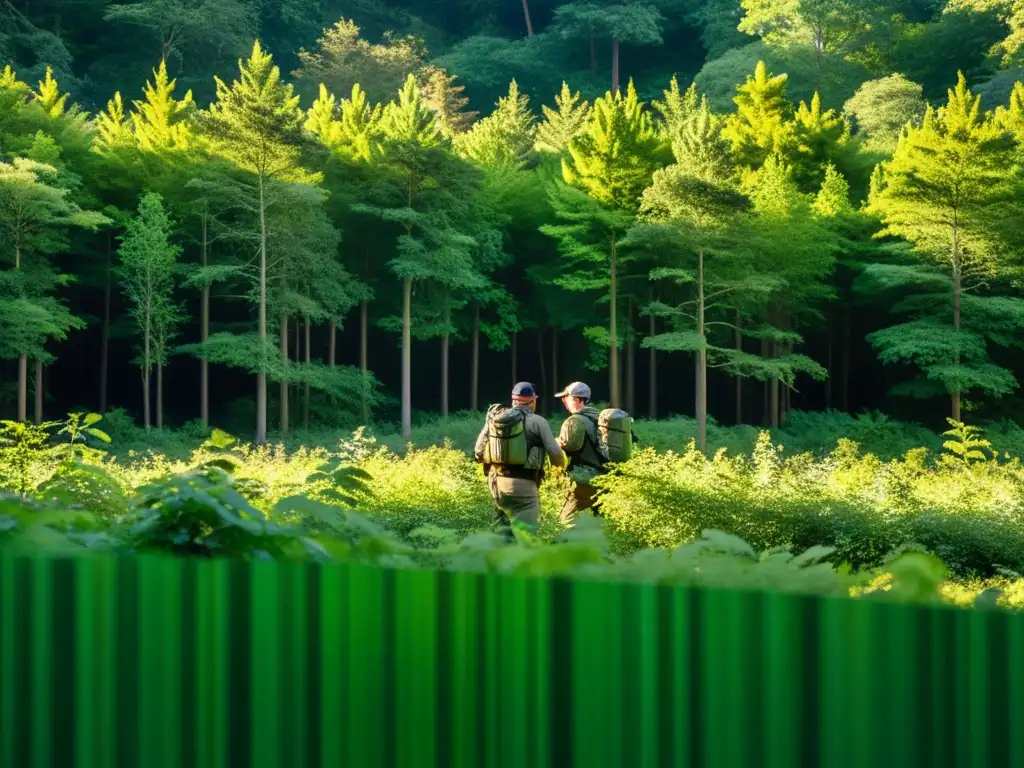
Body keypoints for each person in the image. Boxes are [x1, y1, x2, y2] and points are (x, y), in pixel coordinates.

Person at [474, 382, 565, 539]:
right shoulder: (537, 422)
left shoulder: (494, 419)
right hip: (523, 485)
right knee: (526, 537)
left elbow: (478, 451)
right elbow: (555, 453)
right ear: (533, 401)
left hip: (496, 483)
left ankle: (496, 558)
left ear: (513, 400)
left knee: (503, 532)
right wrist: (560, 469)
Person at [554, 381, 606, 525]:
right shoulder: (599, 418)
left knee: (564, 522)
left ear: (576, 400)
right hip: (606, 477)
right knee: (603, 524)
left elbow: (570, 446)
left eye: (566, 398)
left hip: (584, 479)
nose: (564, 402)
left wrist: (556, 442)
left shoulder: (574, 421)